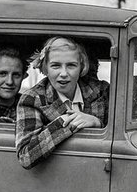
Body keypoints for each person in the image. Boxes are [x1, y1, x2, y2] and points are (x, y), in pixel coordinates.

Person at [15, 37, 108, 169]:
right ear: (45, 68)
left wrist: (97, 123)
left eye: (71, 65)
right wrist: (65, 123)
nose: (63, 73)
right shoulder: (32, 99)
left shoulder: (101, 91)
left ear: (82, 66)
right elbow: (25, 156)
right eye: (56, 65)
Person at [0, 47, 26, 121]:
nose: (9, 82)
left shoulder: (29, 107)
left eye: (16, 75)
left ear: (24, 76)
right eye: (2, 73)